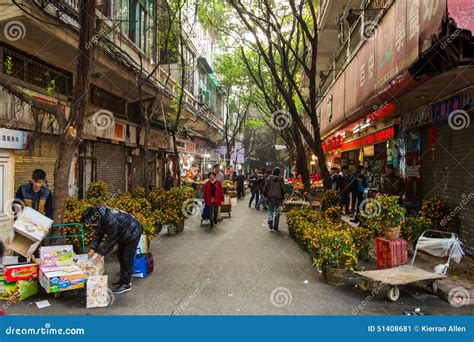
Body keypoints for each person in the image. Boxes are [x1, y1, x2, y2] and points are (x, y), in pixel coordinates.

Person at [82, 206, 143, 294]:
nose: (90, 226)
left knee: (127, 257)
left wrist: (100, 254)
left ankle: (126, 284)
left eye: (91, 224)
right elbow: (98, 234)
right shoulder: (98, 216)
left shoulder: (110, 220)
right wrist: (92, 248)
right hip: (122, 233)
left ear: (96, 219)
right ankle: (123, 279)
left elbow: (111, 240)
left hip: (133, 231)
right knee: (120, 254)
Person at [262, 167, 285, 231]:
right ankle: (275, 226)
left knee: (270, 210)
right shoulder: (281, 179)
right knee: (277, 212)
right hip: (279, 198)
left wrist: (265, 194)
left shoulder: (269, 179)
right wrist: (283, 197)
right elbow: (283, 189)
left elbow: (265, 188)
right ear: (279, 173)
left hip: (270, 197)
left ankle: (270, 220)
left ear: (273, 172)